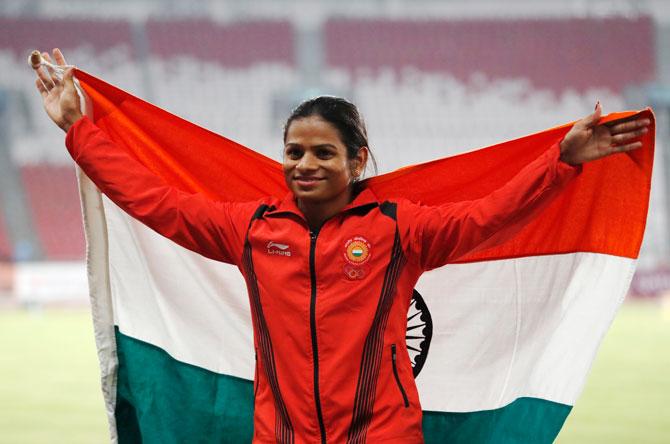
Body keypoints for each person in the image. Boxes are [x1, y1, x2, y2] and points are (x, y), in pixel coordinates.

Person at [34, 48, 650, 443]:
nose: (304, 164)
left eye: (323, 152)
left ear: (357, 160)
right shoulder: (251, 229)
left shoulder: (397, 229)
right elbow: (154, 201)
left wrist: (560, 163)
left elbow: (492, 216)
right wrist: (78, 130)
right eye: (294, 152)